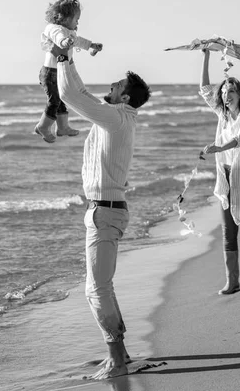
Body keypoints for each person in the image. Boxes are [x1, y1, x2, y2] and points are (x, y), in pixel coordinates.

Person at [51, 44, 150, 379]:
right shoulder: (117, 118)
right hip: (105, 211)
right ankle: (119, 353)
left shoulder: (116, 117)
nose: (109, 86)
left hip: (106, 213)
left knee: (96, 289)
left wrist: (63, 55)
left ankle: (117, 360)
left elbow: (72, 95)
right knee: (102, 286)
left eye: (116, 86)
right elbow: (78, 96)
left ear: (124, 98)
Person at [199, 49, 240, 295]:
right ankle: (232, 281)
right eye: (224, 93)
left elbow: (239, 139)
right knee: (228, 232)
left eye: (230, 92)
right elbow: (205, 89)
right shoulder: (222, 115)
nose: (225, 96)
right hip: (226, 179)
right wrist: (206, 55)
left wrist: (218, 147)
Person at [35, 0, 103, 143]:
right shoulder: (54, 28)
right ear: (63, 18)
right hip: (50, 73)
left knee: (61, 98)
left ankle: (62, 127)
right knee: (55, 101)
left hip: (58, 72)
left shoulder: (69, 32)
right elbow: (58, 37)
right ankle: (43, 126)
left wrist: (91, 45)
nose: (78, 23)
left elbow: (78, 41)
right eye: (76, 19)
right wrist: (64, 42)